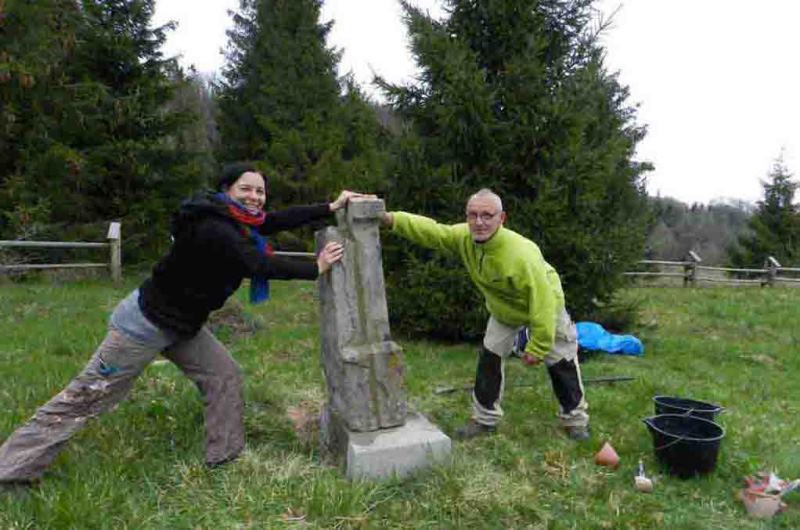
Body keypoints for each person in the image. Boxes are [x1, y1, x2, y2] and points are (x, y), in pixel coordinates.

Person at [0, 162, 367, 484]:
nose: (255, 197)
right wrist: (314, 267)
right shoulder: (213, 226)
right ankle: (10, 468)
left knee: (223, 375)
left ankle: (224, 458)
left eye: (260, 191)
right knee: (84, 397)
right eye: (246, 189)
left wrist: (329, 207)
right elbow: (257, 264)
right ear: (227, 190)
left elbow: (273, 221)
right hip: (142, 325)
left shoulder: (238, 219)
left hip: (183, 325)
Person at [383, 188, 590, 441]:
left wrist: (538, 346)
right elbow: (433, 231)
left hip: (546, 308)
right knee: (489, 358)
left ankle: (575, 421)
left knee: (562, 363)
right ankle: (484, 420)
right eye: (473, 215)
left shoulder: (522, 254)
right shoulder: (465, 237)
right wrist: (391, 219)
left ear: (501, 219)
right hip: (504, 312)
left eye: (487, 215)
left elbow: (543, 302)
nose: (479, 222)